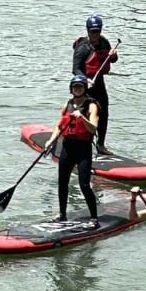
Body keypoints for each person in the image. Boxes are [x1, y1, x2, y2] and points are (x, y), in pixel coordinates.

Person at [51, 74, 100, 223]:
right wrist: (50, 141)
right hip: (67, 148)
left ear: (84, 88)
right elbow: (59, 127)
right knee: (62, 182)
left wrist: (82, 117)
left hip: (83, 150)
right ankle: (62, 214)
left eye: (80, 86)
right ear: (71, 89)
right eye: (75, 87)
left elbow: (93, 129)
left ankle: (94, 217)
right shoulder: (67, 105)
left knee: (84, 185)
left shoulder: (91, 105)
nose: (77, 89)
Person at [72, 14, 117, 155]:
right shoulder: (82, 48)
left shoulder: (104, 43)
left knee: (104, 112)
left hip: (99, 83)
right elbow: (76, 69)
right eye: (92, 31)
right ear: (88, 31)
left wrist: (114, 55)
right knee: (89, 113)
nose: (95, 34)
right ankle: (83, 144)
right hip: (85, 85)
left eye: (97, 31)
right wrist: (85, 80)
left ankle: (100, 145)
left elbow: (112, 60)